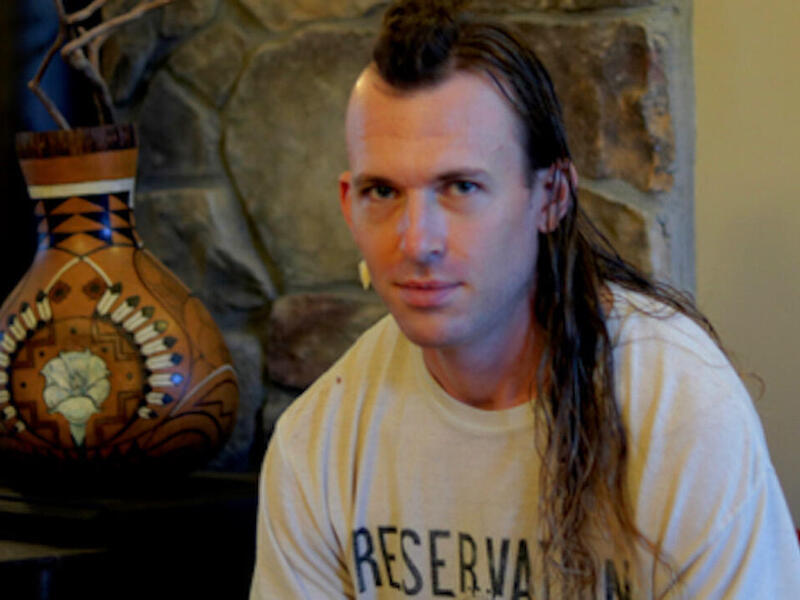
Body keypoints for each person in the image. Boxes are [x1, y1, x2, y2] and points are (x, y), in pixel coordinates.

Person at [250, 1, 800, 597]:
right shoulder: (321, 439)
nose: (417, 241)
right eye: (382, 190)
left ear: (551, 196)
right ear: (347, 204)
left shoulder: (679, 408)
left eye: (460, 186)